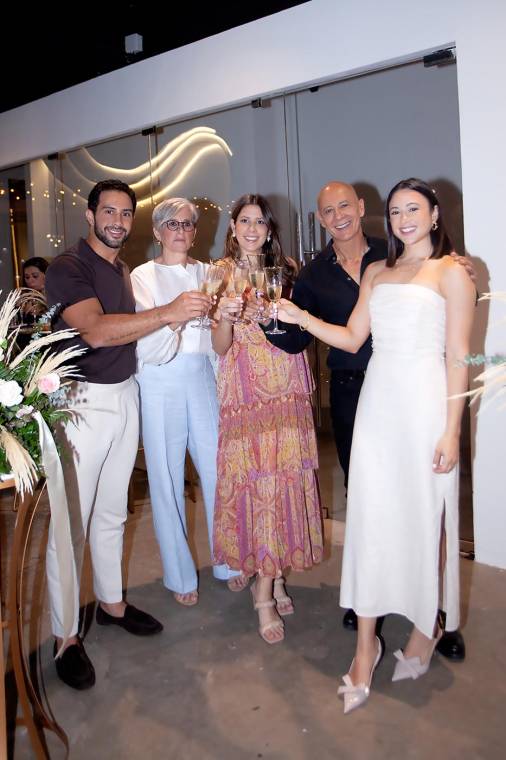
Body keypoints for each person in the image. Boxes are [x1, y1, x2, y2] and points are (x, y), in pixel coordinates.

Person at [277, 178, 475, 712]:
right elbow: (351, 338)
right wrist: (301, 318)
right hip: (378, 408)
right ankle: (365, 646)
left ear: (434, 214)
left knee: (425, 519)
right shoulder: (376, 271)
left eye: (414, 209)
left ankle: (428, 624)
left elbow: (459, 356)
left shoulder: (452, 273)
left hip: (427, 407)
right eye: (396, 211)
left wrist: (453, 429)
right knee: (369, 521)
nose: (404, 218)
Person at [45, 179, 211, 690]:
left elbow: (139, 342)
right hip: (78, 405)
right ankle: (65, 637)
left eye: (125, 213)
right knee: (71, 525)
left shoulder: (119, 270)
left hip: (124, 396)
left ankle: (112, 602)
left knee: (114, 511)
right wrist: (167, 314)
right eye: (108, 212)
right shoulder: (69, 268)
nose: (117, 221)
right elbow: (93, 330)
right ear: (91, 215)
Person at [212, 193, 323, 645]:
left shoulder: (287, 271)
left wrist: (275, 316)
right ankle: (264, 589)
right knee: (257, 483)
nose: (253, 228)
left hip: (287, 387)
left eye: (261, 221)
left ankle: (272, 575)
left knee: (283, 480)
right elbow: (219, 347)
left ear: (270, 229)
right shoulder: (218, 275)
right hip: (244, 393)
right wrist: (225, 315)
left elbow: (302, 333)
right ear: (233, 227)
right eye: (245, 220)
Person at [130, 197, 240, 606]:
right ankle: (179, 575)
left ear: (196, 232)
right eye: (171, 223)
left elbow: (218, 342)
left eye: (188, 224)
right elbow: (145, 341)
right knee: (166, 477)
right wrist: (175, 315)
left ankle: (227, 560)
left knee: (217, 471)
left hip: (201, 379)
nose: (181, 230)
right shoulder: (141, 276)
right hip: (159, 380)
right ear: (158, 231)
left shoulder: (209, 272)